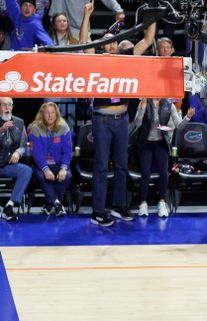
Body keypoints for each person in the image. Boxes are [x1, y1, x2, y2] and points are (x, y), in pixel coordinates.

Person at [80, 0, 156, 227]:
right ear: (102, 46)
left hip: (122, 118)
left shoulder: (126, 56)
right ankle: (98, 211)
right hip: (102, 118)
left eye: (113, 41)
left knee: (122, 165)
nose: (111, 45)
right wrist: (87, 17)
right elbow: (84, 42)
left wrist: (151, 17)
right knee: (102, 166)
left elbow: (148, 40)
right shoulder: (95, 61)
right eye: (106, 42)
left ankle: (119, 205)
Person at [132, 99, 192, 218]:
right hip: (146, 143)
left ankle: (162, 202)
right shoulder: (144, 101)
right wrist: (142, 108)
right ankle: (143, 203)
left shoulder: (169, 104)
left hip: (161, 143)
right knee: (145, 173)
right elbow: (137, 124)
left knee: (164, 173)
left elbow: (179, 126)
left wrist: (188, 117)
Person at [29, 102, 72, 217]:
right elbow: (36, 153)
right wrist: (45, 169)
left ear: (57, 114)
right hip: (41, 165)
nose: (50, 115)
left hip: (58, 164)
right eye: (47, 112)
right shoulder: (35, 128)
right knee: (41, 176)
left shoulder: (64, 127)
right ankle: (58, 204)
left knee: (67, 175)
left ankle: (50, 203)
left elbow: (68, 151)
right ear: (42, 114)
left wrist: (63, 168)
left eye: (53, 112)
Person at [0, 98, 32, 222]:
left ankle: (9, 206)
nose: (7, 108)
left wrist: (18, 153)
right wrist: (1, 130)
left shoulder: (19, 122)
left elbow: (23, 144)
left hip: (8, 164)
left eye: (10, 105)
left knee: (26, 171)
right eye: (4, 105)